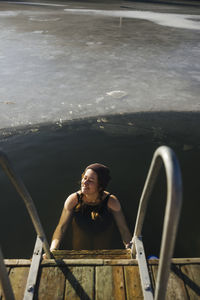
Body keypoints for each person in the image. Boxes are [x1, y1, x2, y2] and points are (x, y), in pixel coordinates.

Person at [47, 163, 132, 255]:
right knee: (79, 253)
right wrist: (53, 249)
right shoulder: (73, 200)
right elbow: (61, 227)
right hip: (81, 228)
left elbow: (123, 229)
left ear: (100, 186)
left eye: (91, 180)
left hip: (103, 229)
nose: (85, 182)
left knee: (102, 254)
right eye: (85, 178)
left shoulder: (111, 202)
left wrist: (129, 247)